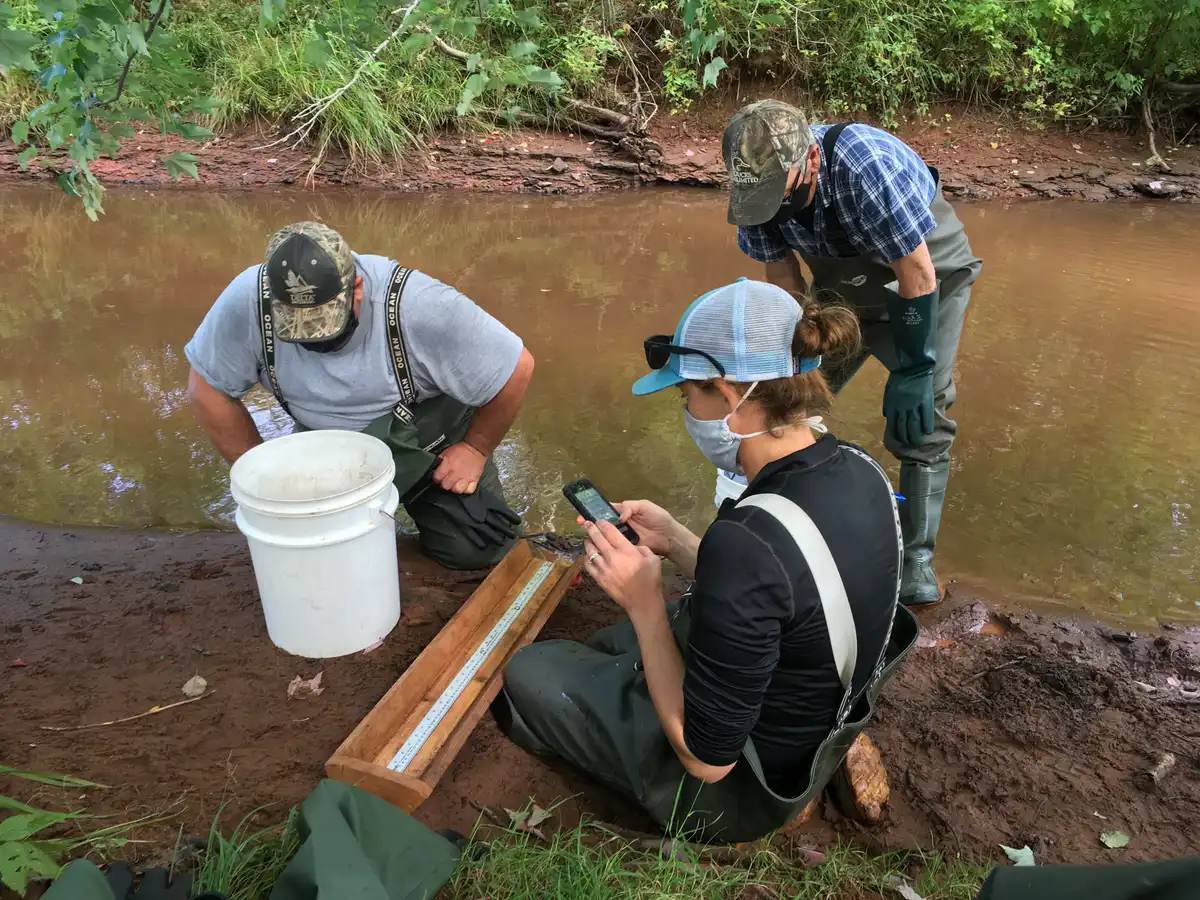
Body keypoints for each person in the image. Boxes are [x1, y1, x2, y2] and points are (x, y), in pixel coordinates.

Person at [493, 278, 918, 842]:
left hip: (737, 786)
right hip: (813, 713)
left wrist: (643, 603)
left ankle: (694, 803)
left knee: (531, 672)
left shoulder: (748, 540)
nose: (687, 408)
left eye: (687, 394)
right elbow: (791, 590)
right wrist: (673, 538)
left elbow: (707, 759)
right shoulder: (858, 467)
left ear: (727, 394)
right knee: (614, 649)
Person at [722, 99, 983, 608]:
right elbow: (783, 278)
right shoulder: (753, 191)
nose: (769, 208)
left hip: (930, 280)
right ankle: (779, 522)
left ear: (812, 161)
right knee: (786, 398)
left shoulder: (865, 167)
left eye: (781, 195)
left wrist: (914, 369)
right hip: (844, 292)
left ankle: (917, 560)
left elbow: (917, 274)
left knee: (923, 414)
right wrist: (792, 357)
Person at [185, 221, 534, 570]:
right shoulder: (248, 299)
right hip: (326, 439)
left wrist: (475, 449)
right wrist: (264, 476)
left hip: (428, 441)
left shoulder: (420, 305)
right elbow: (206, 390)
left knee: (478, 551)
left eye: (325, 326)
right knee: (315, 555)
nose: (314, 341)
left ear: (356, 288)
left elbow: (516, 367)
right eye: (299, 330)